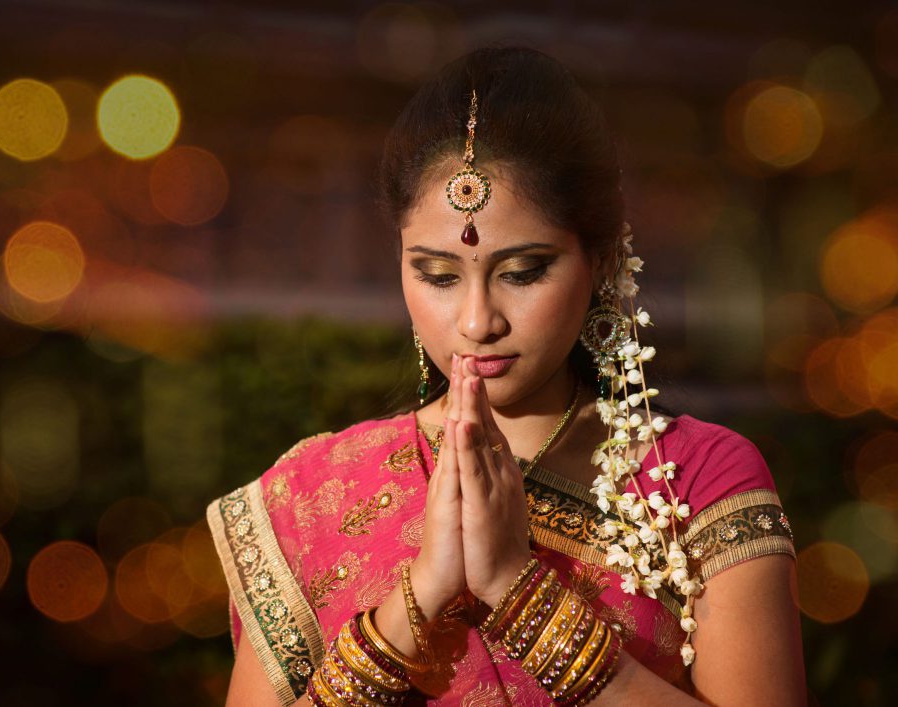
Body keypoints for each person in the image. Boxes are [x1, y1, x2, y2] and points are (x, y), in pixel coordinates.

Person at [208, 46, 806, 706]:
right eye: (437, 275)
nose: (475, 321)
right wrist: (415, 602)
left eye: (522, 272)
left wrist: (519, 593)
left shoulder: (700, 479)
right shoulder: (312, 492)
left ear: (602, 259)